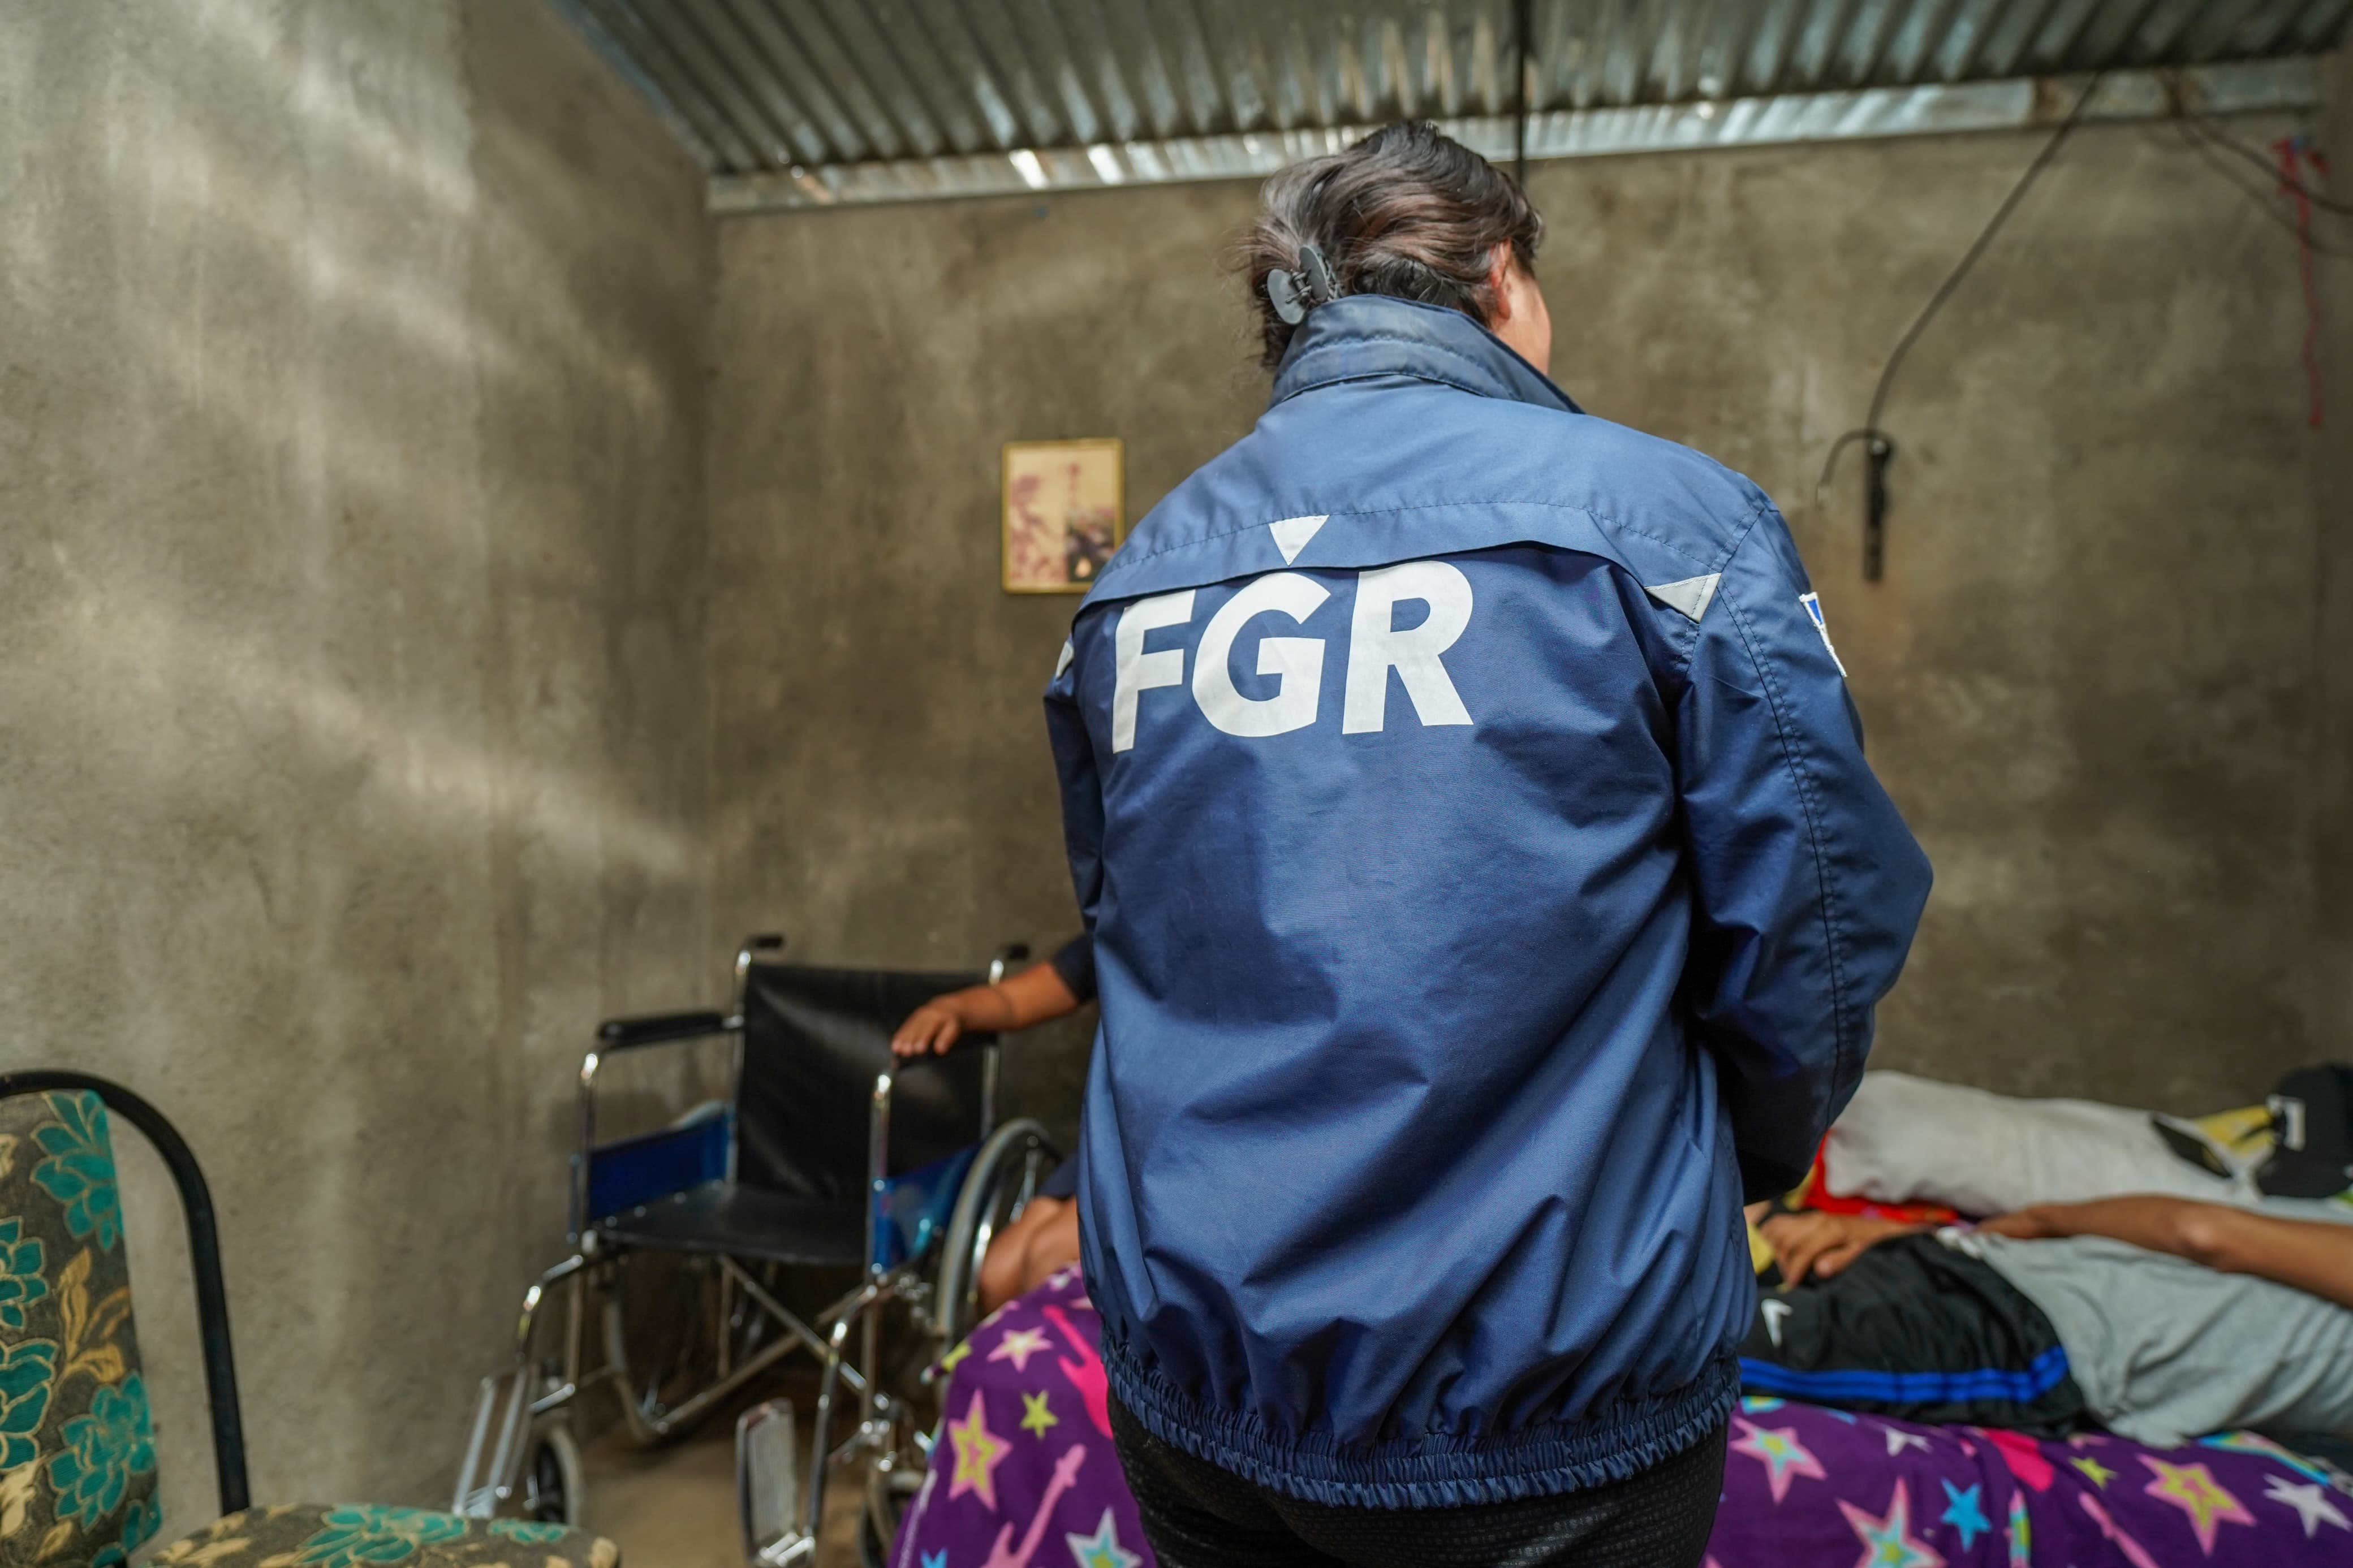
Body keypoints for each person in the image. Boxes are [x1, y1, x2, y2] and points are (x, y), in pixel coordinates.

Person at [1042, 121, 1933, 1568]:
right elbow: (1817, 926)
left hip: (1199, 1381)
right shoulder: (1666, 524)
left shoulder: (1140, 572)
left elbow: (1131, 928)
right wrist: (1742, 1162)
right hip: (1544, 1393)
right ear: (1502, 274)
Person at [1742, 1196, 2353, 1449]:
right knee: (1727, 1349)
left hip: (1974, 1260)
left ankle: (1763, 1222)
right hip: (2042, 1340)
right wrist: (2040, 1222)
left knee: (1777, 1274)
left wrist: (2018, 1226)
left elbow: (2198, 1229)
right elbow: (2204, 1235)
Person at [891, 936, 1093, 1311]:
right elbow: (1032, 993)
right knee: (996, 1275)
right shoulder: (1125, 922)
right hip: (1109, 1133)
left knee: (1049, 1257)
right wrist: (953, 1008)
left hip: (1178, 1139)